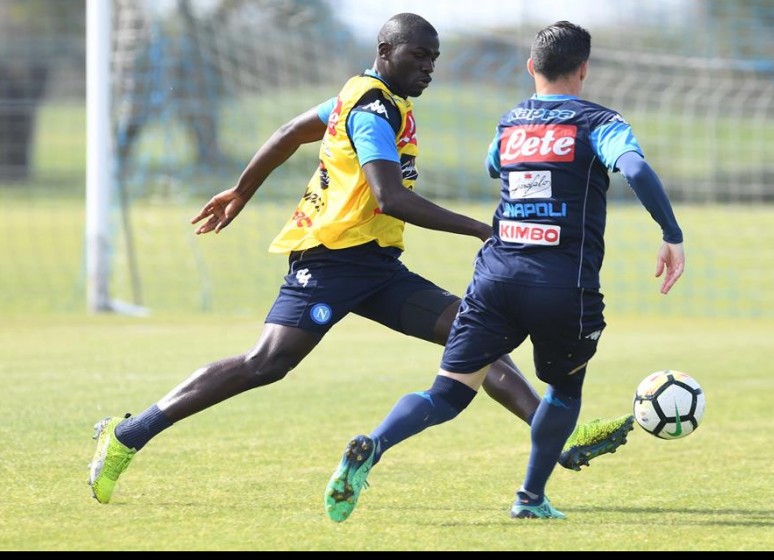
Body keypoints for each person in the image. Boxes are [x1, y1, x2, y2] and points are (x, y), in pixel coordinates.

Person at [88, 14, 633, 505]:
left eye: (434, 59)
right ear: (384, 50)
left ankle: (553, 434)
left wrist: (239, 190)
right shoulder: (371, 109)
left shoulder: (364, 98)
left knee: (475, 337)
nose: (428, 68)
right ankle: (127, 435)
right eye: (418, 56)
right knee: (266, 364)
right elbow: (390, 197)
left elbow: (289, 133)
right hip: (328, 262)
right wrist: (482, 229)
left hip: (375, 266)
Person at [324, 20, 685, 523]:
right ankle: (530, 497)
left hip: (495, 277)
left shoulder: (511, 121)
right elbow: (637, 170)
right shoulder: (600, 121)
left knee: (446, 392)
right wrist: (671, 234)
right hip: (563, 284)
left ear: (531, 66)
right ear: (583, 69)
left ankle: (376, 442)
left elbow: (495, 165)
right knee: (563, 389)